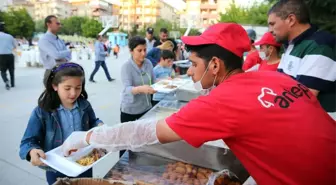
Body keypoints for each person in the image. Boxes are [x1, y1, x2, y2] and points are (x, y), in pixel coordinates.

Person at [62, 23, 336, 185]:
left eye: (193, 65)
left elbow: (143, 133)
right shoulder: (277, 78)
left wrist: (88, 137)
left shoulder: (222, 101)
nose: (190, 72)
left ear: (215, 65)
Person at [19, 62, 103, 185]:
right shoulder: (42, 112)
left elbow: (93, 122)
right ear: (55, 86)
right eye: (67, 88)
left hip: (84, 164)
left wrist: (99, 126)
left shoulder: (85, 105)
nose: (73, 93)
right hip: (56, 169)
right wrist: (32, 151)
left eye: (78, 87)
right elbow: (27, 142)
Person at [268, 0, 336, 114]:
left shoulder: (320, 45)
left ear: (291, 20)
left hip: (322, 126)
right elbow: (279, 84)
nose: (270, 30)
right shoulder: (291, 45)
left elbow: (303, 99)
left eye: (272, 24)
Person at [119, 36, 156, 157]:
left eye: (145, 50)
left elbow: (154, 82)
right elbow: (126, 89)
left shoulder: (148, 63)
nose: (143, 53)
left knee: (142, 138)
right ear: (131, 51)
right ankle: (122, 166)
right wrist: (141, 89)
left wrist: (167, 81)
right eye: (139, 50)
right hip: (130, 109)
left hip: (146, 107)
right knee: (126, 140)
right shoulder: (126, 67)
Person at [38, 15, 71, 84]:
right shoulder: (44, 40)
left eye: (60, 24)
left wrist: (63, 56)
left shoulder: (59, 40)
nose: (60, 26)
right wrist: (68, 51)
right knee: (52, 94)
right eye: (57, 23)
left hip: (64, 71)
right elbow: (56, 55)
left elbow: (68, 57)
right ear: (49, 24)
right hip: (52, 73)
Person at [0, 22, 16, 90]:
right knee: (11, 70)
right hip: (10, 55)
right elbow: (15, 46)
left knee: (3, 70)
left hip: (1, 55)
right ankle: (12, 84)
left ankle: (6, 80)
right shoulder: (9, 36)